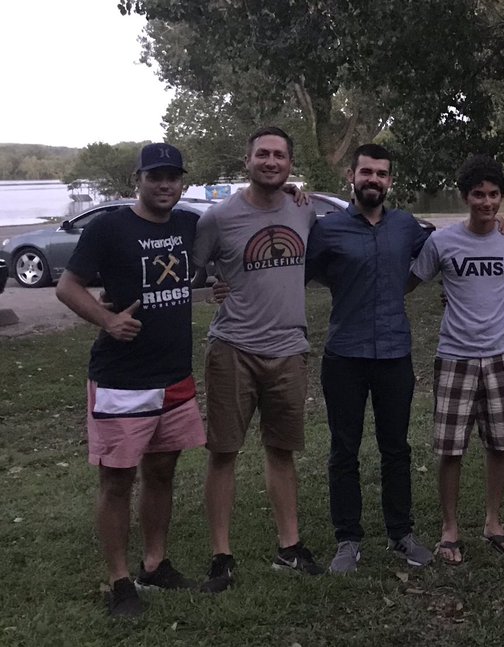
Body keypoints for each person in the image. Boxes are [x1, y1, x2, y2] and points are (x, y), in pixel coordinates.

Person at [56, 143, 205, 615]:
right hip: (122, 380)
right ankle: (121, 582)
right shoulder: (109, 226)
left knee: (162, 472)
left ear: (182, 182)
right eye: (155, 176)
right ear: (137, 179)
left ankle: (155, 564)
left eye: (173, 177)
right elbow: (67, 286)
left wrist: (292, 192)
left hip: (175, 375)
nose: (165, 185)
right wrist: (106, 320)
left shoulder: (189, 224)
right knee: (117, 481)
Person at [193, 126, 322, 591]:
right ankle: (220, 556)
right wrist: (208, 288)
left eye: (280, 155)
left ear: (290, 164)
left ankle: (289, 547)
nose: (271, 161)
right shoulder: (218, 218)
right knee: (224, 452)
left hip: (289, 350)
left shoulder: (304, 209)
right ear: (246, 160)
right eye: (262, 154)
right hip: (233, 349)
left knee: (281, 452)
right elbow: (191, 273)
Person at [305, 144, 435, 572]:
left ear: (390, 181)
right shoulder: (328, 229)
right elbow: (296, 269)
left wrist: (502, 228)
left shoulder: (405, 226)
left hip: (395, 352)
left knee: (395, 447)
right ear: (352, 176)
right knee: (344, 450)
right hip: (345, 354)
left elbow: (448, 244)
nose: (373, 180)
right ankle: (348, 540)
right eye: (366, 172)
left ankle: (401, 533)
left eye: (382, 173)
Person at [407, 154, 504, 564]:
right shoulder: (442, 242)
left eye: (494, 194)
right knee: (452, 449)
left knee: (498, 445)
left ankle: (493, 522)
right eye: (478, 194)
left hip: (500, 355)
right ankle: (449, 529)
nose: (487, 202)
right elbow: (409, 281)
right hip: (455, 356)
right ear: (465, 197)